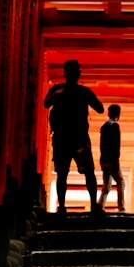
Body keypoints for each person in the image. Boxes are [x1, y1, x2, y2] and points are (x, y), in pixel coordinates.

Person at [43, 59, 103, 212]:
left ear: (65, 74)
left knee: (62, 173)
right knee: (88, 172)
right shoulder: (84, 92)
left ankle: (62, 206)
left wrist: (58, 95)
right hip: (79, 138)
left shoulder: (58, 90)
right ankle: (93, 205)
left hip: (62, 138)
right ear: (78, 74)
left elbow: (46, 104)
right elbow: (100, 108)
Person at [97, 105, 125, 212]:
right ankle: (121, 207)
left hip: (104, 160)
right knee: (121, 182)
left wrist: (102, 161)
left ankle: (100, 205)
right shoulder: (115, 126)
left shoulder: (104, 126)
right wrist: (116, 160)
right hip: (112, 160)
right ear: (118, 114)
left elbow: (102, 145)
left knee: (106, 185)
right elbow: (116, 145)